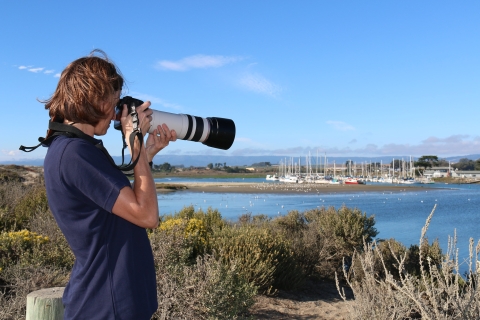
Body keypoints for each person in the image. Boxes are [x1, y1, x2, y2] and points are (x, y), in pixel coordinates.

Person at [41, 50, 177, 319]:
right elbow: (146, 215)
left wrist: (144, 155)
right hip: (106, 305)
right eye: (114, 103)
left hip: (110, 301)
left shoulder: (74, 149)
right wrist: (134, 140)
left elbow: (115, 199)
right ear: (93, 99)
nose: (117, 114)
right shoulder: (75, 153)